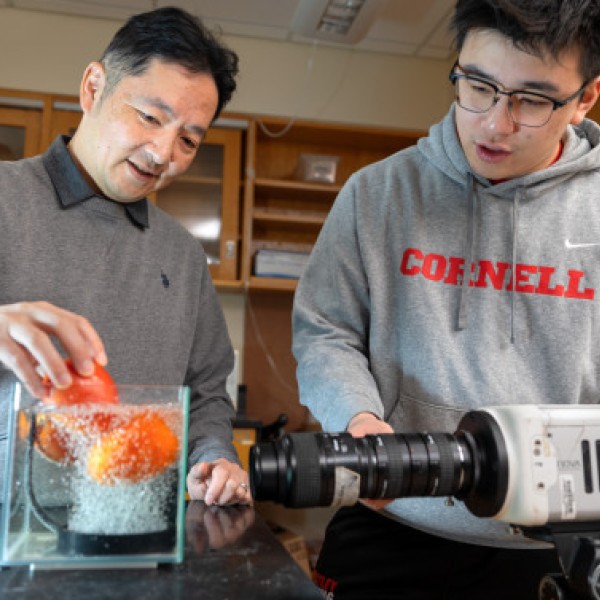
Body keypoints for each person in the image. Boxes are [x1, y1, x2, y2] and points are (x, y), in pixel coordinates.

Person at [292, 0, 600, 597]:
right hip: (392, 523)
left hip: (554, 548)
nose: (495, 123)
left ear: (584, 97)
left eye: (532, 100)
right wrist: (357, 417)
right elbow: (326, 331)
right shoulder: (377, 194)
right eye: (478, 85)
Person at [0, 7, 251, 507]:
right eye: (150, 117)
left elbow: (205, 391)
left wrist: (214, 457)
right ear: (94, 88)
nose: (162, 153)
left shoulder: (181, 255)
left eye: (187, 140)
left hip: (137, 531)